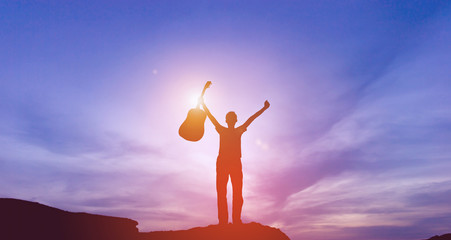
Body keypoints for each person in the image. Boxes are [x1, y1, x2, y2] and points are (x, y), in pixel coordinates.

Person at [200, 98, 270, 225]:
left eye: (233, 118)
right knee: (223, 193)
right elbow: (211, 117)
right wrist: (203, 104)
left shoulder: (234, 130)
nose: (232, 120)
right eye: (230, 118)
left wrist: (264, 109)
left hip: (234, 163)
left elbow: (251, 119)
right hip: (223, 163)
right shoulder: (224, 130)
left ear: (233, 120)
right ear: (228, 120)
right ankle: (224, 222)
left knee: (236, 192)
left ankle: (235, 220)